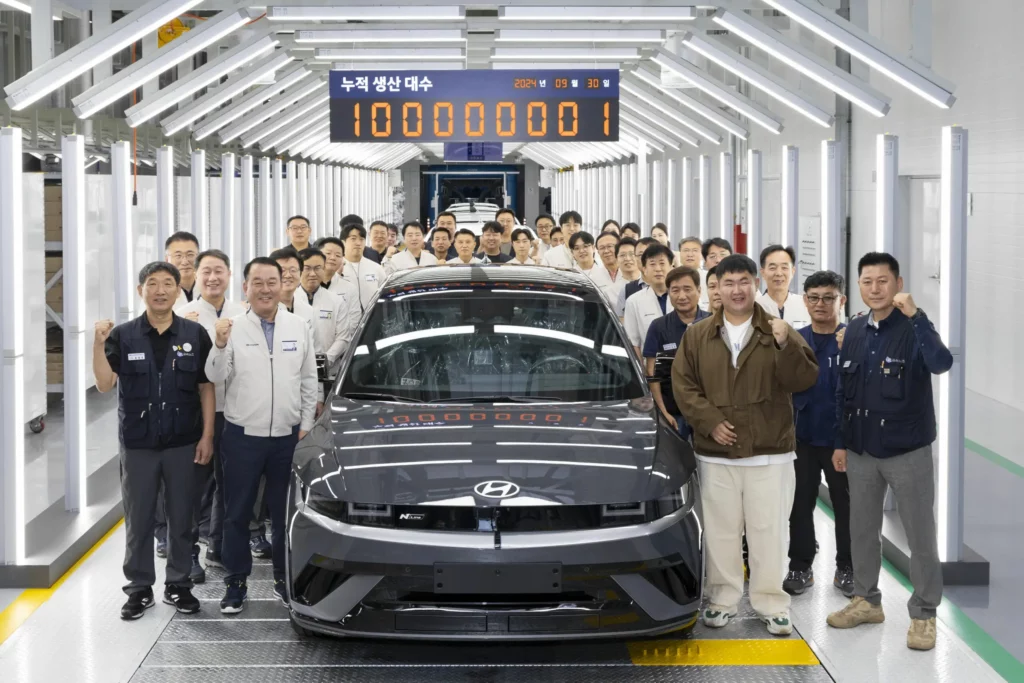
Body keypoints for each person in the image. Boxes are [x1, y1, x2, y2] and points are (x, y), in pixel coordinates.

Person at [673, 253, 818, 636]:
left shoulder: (777, 329)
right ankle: (722, 599)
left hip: (770, 452)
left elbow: (803, 379)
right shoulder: (697, 335)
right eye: (728, 283)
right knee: (721, 531)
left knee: (768, 530)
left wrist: (788, 344)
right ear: (716, 288)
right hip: (716, 454)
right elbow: (683, 386)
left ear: (756, 285)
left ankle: (771, 603)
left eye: (744, 282)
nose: (737, 290)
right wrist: (710, 421)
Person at [827, 252, 952, 652]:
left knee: (920, 536)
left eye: (884, 281)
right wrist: (841, 441)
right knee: (861, 530)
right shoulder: (856, 330)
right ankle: (866, 601)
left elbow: (941, 362)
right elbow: (842, 393)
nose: (876, 288)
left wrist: (918, 318)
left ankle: (924, 614)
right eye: (867, 281)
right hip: (863, 450)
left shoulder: (914, 328)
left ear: (898, 284)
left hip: (907, 451)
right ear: (859, 287)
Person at [93, 262, 215, 620]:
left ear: (179, 290)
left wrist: (207, 435)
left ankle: (178, 585)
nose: (160, 290)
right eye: (152, 284)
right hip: (138, 445)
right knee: (139, 518)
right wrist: (97, 345)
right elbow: (103, 384)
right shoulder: (123, 335)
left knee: (182, 518)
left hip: (183, 441)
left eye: (167, 284)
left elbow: (206, 387)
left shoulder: (194, 334)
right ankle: (139, 588)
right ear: (140, 291)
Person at [206, 257, 319, 613]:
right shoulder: (233, 328)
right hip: (242, 436)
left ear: (283, 284)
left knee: (285, 514)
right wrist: (220, 343)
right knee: (236, 513)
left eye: (273, 281)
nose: (266, 289)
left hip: (288, 438)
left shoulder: (298, 326)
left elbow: (308, 380)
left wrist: (305, 426)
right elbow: (214, 375)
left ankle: (285, 581)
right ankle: (235, 583)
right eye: (258, 282)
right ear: (246, 288)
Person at [176, 251, 246, 580]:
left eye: (219, 271)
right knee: (193, 486)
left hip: (235, 412)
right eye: (206, 271)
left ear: (230, 275)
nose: (213, 277)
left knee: (230, 484)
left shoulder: (243, 313)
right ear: (196, 275)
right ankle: (189, 553)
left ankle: (219, 545)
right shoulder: (183, 315)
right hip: (197, 415)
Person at [784, 270, 853, 597]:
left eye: (828, 298)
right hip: (803, 440)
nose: (821, 304)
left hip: (845, 442)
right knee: (799, 504)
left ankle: (848, 567)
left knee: (847, 506)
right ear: (805, 301)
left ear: (842, 300)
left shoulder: (854, 339)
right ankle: (800, 564)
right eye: (814, 298)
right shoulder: (795, 341)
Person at [643, 266, 709, 439]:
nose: (681, 296)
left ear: (699, 291)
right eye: (675, 290)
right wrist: (662, 412)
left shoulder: (712, 323)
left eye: (687, 289)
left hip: (708, 411)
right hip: (673, 412)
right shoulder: (658, 327)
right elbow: (652, 373)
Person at [297, 247, 359, 372]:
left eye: (318, 268)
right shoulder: (290, 300)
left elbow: (343, 337)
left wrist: (326, 360)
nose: (313, 273)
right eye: (307, 268)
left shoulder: (336, 301)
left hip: (329, 369)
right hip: (295, 368)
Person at [624, 244, 674, 358]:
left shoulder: (684, 297)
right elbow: (634, 343)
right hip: (650, 367)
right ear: (645, 270)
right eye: (652, 264)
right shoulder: (633, 301)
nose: (658, 269)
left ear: (671, 267)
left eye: (662, 263)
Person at [756, 245, 811, 329]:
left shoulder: (806, 305)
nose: (779, 273)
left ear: (793, 271)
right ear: (762, 272)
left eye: (784, 268)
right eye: (772, 268)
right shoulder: (755, 308)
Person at [340, 223, 387, 313]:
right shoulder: (337, 269)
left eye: (361, 239)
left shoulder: (376, 268)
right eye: (353, 239)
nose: (358, 243)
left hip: (372, 320)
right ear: (343, 242)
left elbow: (384, 295)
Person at [568, 232, 614, 302]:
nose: (581, 251)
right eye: (577, 248)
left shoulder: (606, 272)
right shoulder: (569, 275)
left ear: (593, 248)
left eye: (585, 246)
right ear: (572, 252)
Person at [618, 237, 657, 316]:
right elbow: (622, 322)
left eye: (649, 254)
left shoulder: (671, 287)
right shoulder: (627, 290)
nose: (644, 259)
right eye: (640, 255)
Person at [166, 232, 200, 310]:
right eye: (178, 256)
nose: (184, 262)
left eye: (190, 255)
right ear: (167, 260)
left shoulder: (208, 288)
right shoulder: (157, 292)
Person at [611, 237, 641, 318]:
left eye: (632, 254)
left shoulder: (649, 285)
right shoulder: (610, 292)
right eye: (622, 255)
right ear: (616, 259)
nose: (627, 259)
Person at [677, 236, 709, 310]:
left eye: (695, 250)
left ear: (701, 255)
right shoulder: (672, 278)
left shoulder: (708, 277)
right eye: (686, 250)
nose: (690, 254)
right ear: (680, 253)